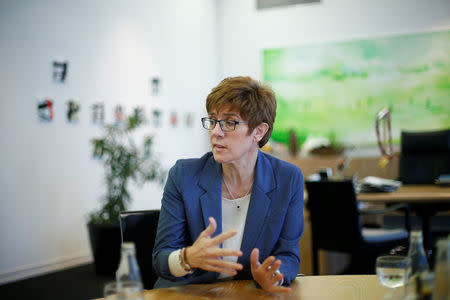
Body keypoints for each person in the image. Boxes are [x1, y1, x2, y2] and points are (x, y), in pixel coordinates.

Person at [152, 76, 304, 293]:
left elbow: (288, 254)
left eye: (229, 122)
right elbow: (161, 258)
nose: (216, 132)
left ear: (258, 132)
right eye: (213, 121)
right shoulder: (184, 176)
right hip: (190, 294)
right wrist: (187, 257)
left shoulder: (288, 179)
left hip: (250, 294)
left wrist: (274, 276)